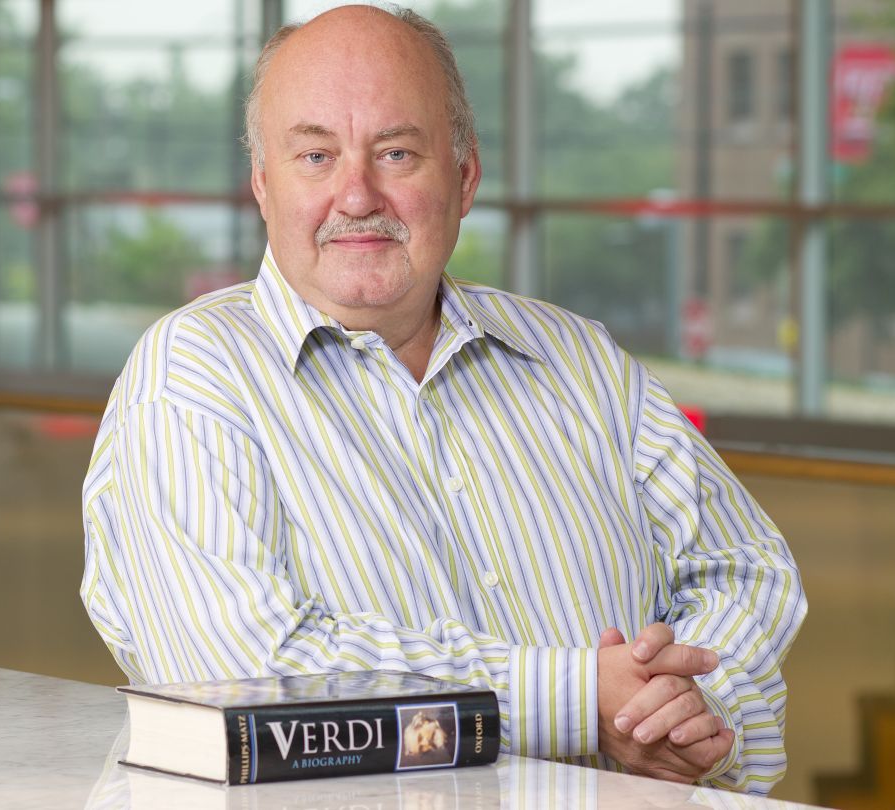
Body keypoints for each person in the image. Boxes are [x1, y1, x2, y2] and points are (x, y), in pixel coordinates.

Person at [80, 4, 805, 794]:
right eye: (315, 155)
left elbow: (748, 570)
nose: (357, 196)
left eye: (396, 153)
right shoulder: (189, 379)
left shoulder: (582, 361)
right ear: (263, 184)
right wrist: (575, 698)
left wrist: (686, 710)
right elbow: (244, 673)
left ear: (463, 178)